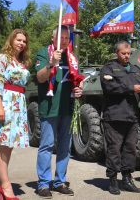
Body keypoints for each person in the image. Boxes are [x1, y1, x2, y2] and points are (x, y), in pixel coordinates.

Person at [35, 26, 84, 198]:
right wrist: (51, 63)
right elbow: (40, 77)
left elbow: (77, 79)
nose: (64, 41)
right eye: (60, 37)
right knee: (47, 146)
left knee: (65, 147)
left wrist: (79, 89)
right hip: (49, 108)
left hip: (67, 108)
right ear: (52, 38)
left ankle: (59, 181)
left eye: (66, 38)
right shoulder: (43, 52)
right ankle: (43, 184)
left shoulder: (71, 56)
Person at [0, 29, 31, 200]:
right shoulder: (3, 58)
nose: (21, 43)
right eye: (18, 40)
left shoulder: (21, 61)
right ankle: (5, 186)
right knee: (3, 145)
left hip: (18, 105)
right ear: (11, 40)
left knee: (8, 146)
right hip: (5, 103)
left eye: (24, 41)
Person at [100, 41, 140, 195]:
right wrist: (130, 88)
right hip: (114, 116)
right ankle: (113, 180)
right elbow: (109, 87)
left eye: (128, 53)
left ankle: (127, 179)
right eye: (124, 53)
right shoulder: (109, 68)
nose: (127, 56)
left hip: (132, 116)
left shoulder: (135, 69)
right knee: (114, 149)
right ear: (117, 53)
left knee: (130, 149)